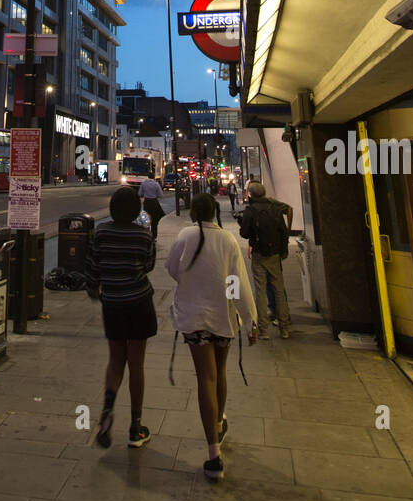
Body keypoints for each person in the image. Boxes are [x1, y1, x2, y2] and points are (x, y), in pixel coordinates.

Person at [167, 193, 257, 483]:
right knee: (219, 373)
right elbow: (238, 283)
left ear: (193, 213)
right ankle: (219, 421)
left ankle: (213, 454)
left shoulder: (184, 235)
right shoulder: (228, 241)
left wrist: (192, 283)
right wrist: (252, 320)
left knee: (205, 377)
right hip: (223, 317)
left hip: (194, 319)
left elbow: (172, 268)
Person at [85, 186, 157, 449]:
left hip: (112, 303)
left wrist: (94, 289)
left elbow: (92, 266)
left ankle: (106, 410)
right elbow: (149, 264)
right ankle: (135, 427)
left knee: (116, 360)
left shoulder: (101, 233)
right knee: (136, 364)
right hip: (139, 302)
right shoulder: (143, 235)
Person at [238, 180, 293, 341]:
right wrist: (284, 249)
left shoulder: (251, 211)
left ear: (251, 194)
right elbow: (282, 231)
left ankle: (264, 330)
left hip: (258, 254)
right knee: (279, 290)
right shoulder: (275, 208)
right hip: (275, 254)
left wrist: (242, 224)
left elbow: (245, 234)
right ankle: (284, 328)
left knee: (260, 292)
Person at [138, 171, 165, 243]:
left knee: (146, 219)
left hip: (147, 202)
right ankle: (154, 236)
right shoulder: (156, 184)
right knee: (154, 219)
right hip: (154, 202)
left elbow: (140, 194)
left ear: (148, 177)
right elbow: (161, 195)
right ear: (154, 177)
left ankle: (146, 234)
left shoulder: (143, 184)